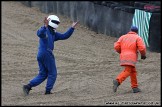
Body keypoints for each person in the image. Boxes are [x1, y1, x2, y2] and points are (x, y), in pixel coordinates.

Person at [23, 15, 79, 95]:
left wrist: (72, 28)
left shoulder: (53, 33)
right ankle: (48, 91)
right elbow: (39, 33)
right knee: (53, 73)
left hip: (40, 54)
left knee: (43, 74)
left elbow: (64, 36)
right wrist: (44, 26)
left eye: (57, 23)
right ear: (49, 21)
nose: (56, 24)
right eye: (56, 22)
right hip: (47, 54)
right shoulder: (46, 30)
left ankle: (28, 86)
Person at [113, 26, 146, 93]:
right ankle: (117, 81)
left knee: (132, 71)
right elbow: (142, 48)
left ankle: (135, 87)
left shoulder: (123, 37)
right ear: (137, 32)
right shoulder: (137, 37)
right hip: (131, 56)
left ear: (130, 30)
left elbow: (116, 46)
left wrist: (121, 52)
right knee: (128, 70)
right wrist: (143, 55)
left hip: (123, 55)